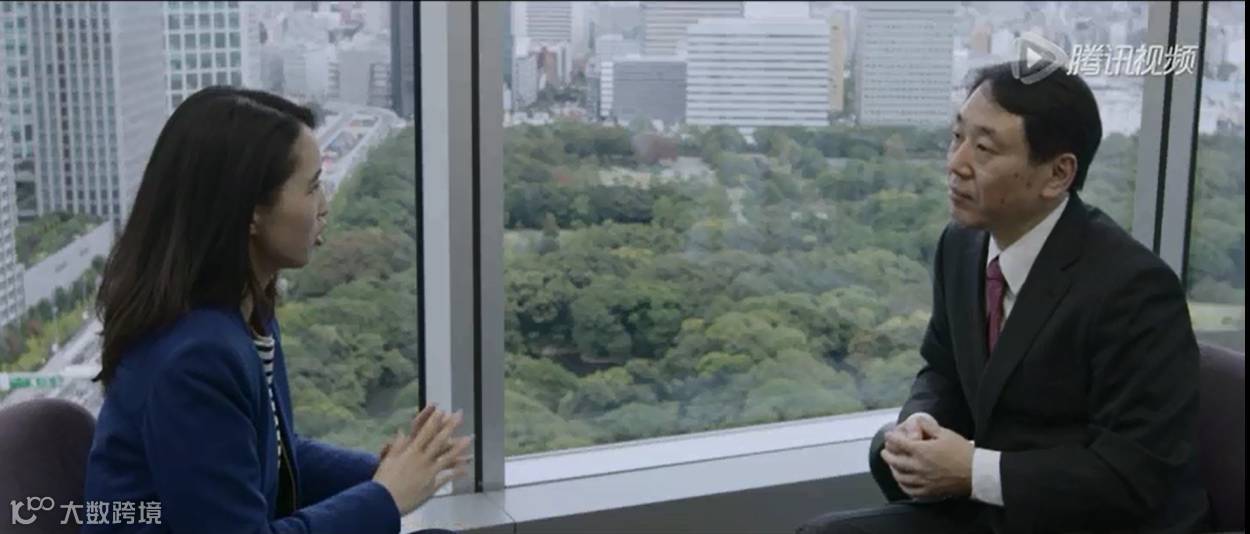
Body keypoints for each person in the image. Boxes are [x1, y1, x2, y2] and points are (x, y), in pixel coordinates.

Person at [798, 61, 1211, 533]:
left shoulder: (1134, 290)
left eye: (984, 148)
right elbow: (943, 368)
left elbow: (1132, 479)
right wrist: (920, 424)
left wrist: (973, 470)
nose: (956, 164)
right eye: (957, 137)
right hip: (995, 511)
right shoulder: (961, 245)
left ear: (1058, 174)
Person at [83, 87, 472, 534]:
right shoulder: (195, 358)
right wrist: (385, 495)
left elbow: (274, 454)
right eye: (312, 187)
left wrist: (386, 474)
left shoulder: (246, 310)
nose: (324, 206)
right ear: (250, 211)